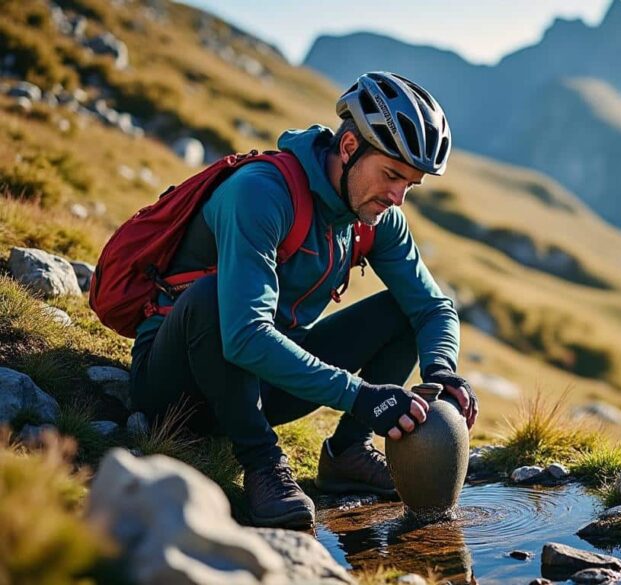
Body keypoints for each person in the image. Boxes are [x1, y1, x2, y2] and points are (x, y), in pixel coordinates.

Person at [128, 71, 477, 529]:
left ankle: (347, 453)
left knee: (403, 310)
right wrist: (358, 395)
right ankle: (261, 463)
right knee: (216, 298)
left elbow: (433, 307)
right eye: (392, 175)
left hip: (265, 385)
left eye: (409, 185)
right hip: (176, 386)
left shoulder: (372, 216)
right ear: (349, 148)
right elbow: (245, 336)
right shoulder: (260, 194)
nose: (397, 197)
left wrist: (442, 370)